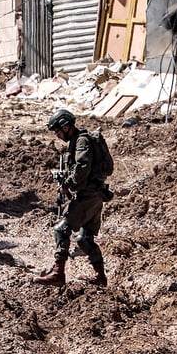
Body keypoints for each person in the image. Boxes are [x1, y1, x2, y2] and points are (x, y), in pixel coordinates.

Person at [33, 108, 114, 287]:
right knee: (84, 238)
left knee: (61, 230)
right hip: (94, 195)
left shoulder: (81, 141)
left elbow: (82, 168)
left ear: (67, 126)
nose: (57, 135)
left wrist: (67, 183)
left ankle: (57, 273)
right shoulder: (76, 142)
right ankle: (100, 277)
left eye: (58, 131)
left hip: (88, 196)